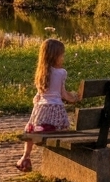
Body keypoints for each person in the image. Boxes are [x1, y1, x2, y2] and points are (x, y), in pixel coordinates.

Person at [15, 38, 81, 173]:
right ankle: (62, 163)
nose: (63, 57)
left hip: (39, 113)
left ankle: (25, 157)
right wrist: (75, 98)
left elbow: (40, 95)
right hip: (56, 114)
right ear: (55, 55)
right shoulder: (61, 72)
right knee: (62, 130)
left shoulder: (40, 73)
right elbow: (63, 94)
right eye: (62, 55)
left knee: (30, 130)